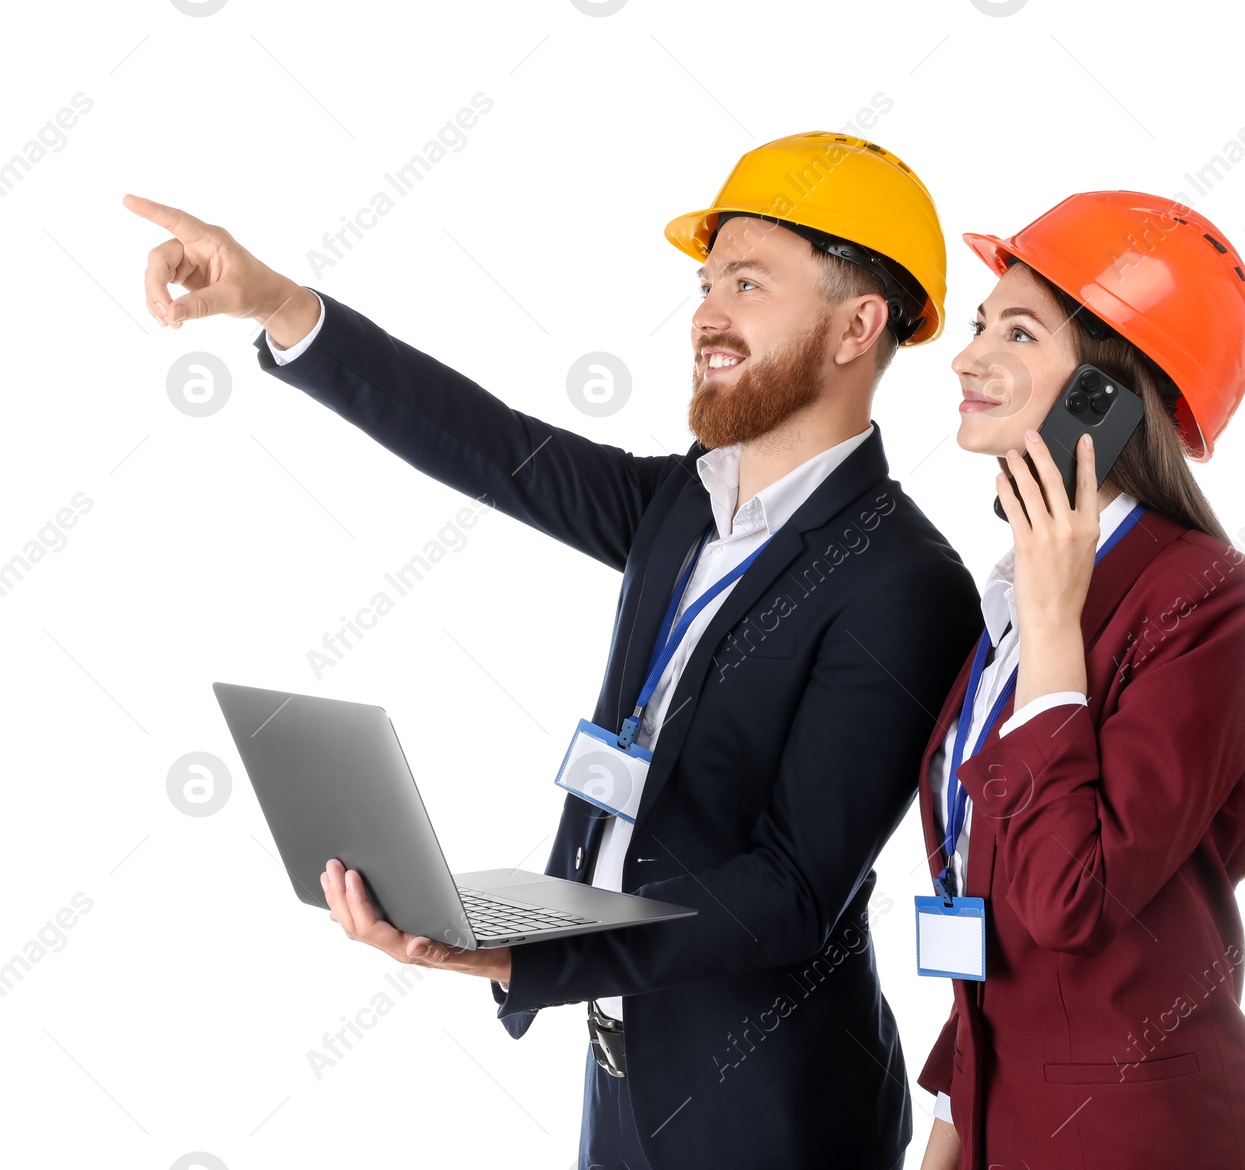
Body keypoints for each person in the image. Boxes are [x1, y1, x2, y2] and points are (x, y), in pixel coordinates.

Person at [125, 130, 983, 1170]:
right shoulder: (681, 504)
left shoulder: (903, 581)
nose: (706, 314)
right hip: (625, 1076)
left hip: (770, 1114)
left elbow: (793, 893)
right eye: (707, 282)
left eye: (748, 285)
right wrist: (278, 307)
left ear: (857, 325)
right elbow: (492, 447)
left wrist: (518, 949)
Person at [913, 192, 1245, 1170]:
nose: (966, 357)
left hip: (1146, 1142)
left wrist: (1051, 627)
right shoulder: (1017, 596)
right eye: (978, 326)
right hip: (1005, 1131)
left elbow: (1068, 903)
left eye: (1017, 331)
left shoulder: (1205, 599)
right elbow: (993, 925)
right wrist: (946, 1138)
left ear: (1106, 390)